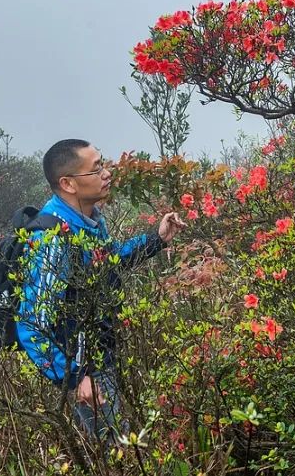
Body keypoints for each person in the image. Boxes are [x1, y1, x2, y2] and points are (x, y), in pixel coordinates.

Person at [17, 138, 187, 445]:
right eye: (96, 169)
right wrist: (73, 377)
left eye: (103, 164)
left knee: (123, 445)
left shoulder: (89, 218)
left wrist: (156, 239)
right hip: (84, 369)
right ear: (68, 183)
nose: (106, 173)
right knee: (115, 451)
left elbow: (107, 263)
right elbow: (31, 323)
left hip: (103, 354)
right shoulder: (52, 240)